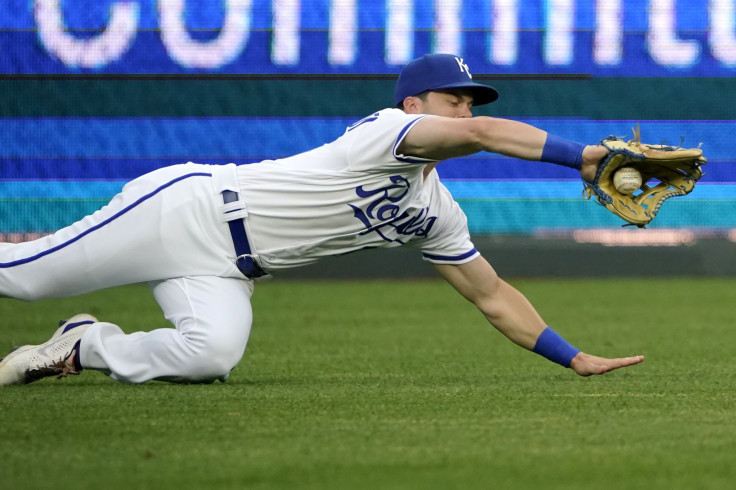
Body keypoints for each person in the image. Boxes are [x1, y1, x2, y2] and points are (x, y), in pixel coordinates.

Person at [0, 53, 644, 385]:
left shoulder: (435, 211)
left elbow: (494, 295)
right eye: (454, 98)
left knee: (211, 356)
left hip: (228, 269)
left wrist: (574, 357)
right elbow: (480, 132)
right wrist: (581, 158)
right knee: (21, 276)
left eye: (469, 99)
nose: (464, 107)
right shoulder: (385, 132)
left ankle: (82, 345)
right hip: (184, 212)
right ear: (413, 104)